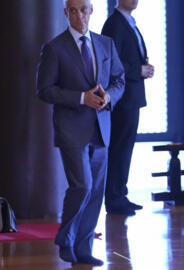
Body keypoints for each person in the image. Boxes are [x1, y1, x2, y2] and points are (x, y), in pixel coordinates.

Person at [36, 0, 125, 265]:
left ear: (91, 11)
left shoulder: (106, 44)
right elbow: (44, 90)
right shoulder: (54, 48)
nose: (79, 15)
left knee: (96, 192)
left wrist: (109, 96)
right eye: (72, 10)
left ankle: (83, 249)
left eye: (83, 9)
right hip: (71, 131)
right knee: (82, 186)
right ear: (65, 13)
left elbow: (120, 80)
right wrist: (80, 98)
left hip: (101, 129)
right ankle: (66, 237)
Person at [101, 0, 153, 216]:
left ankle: (120, 194)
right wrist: (138, 70)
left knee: (125, 148)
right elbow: (112, 62)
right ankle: (114, 199)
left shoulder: (128, 22)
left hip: (131, 96)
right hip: (122, 98)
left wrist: (144, 67)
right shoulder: (114, 24)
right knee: (119, 148)